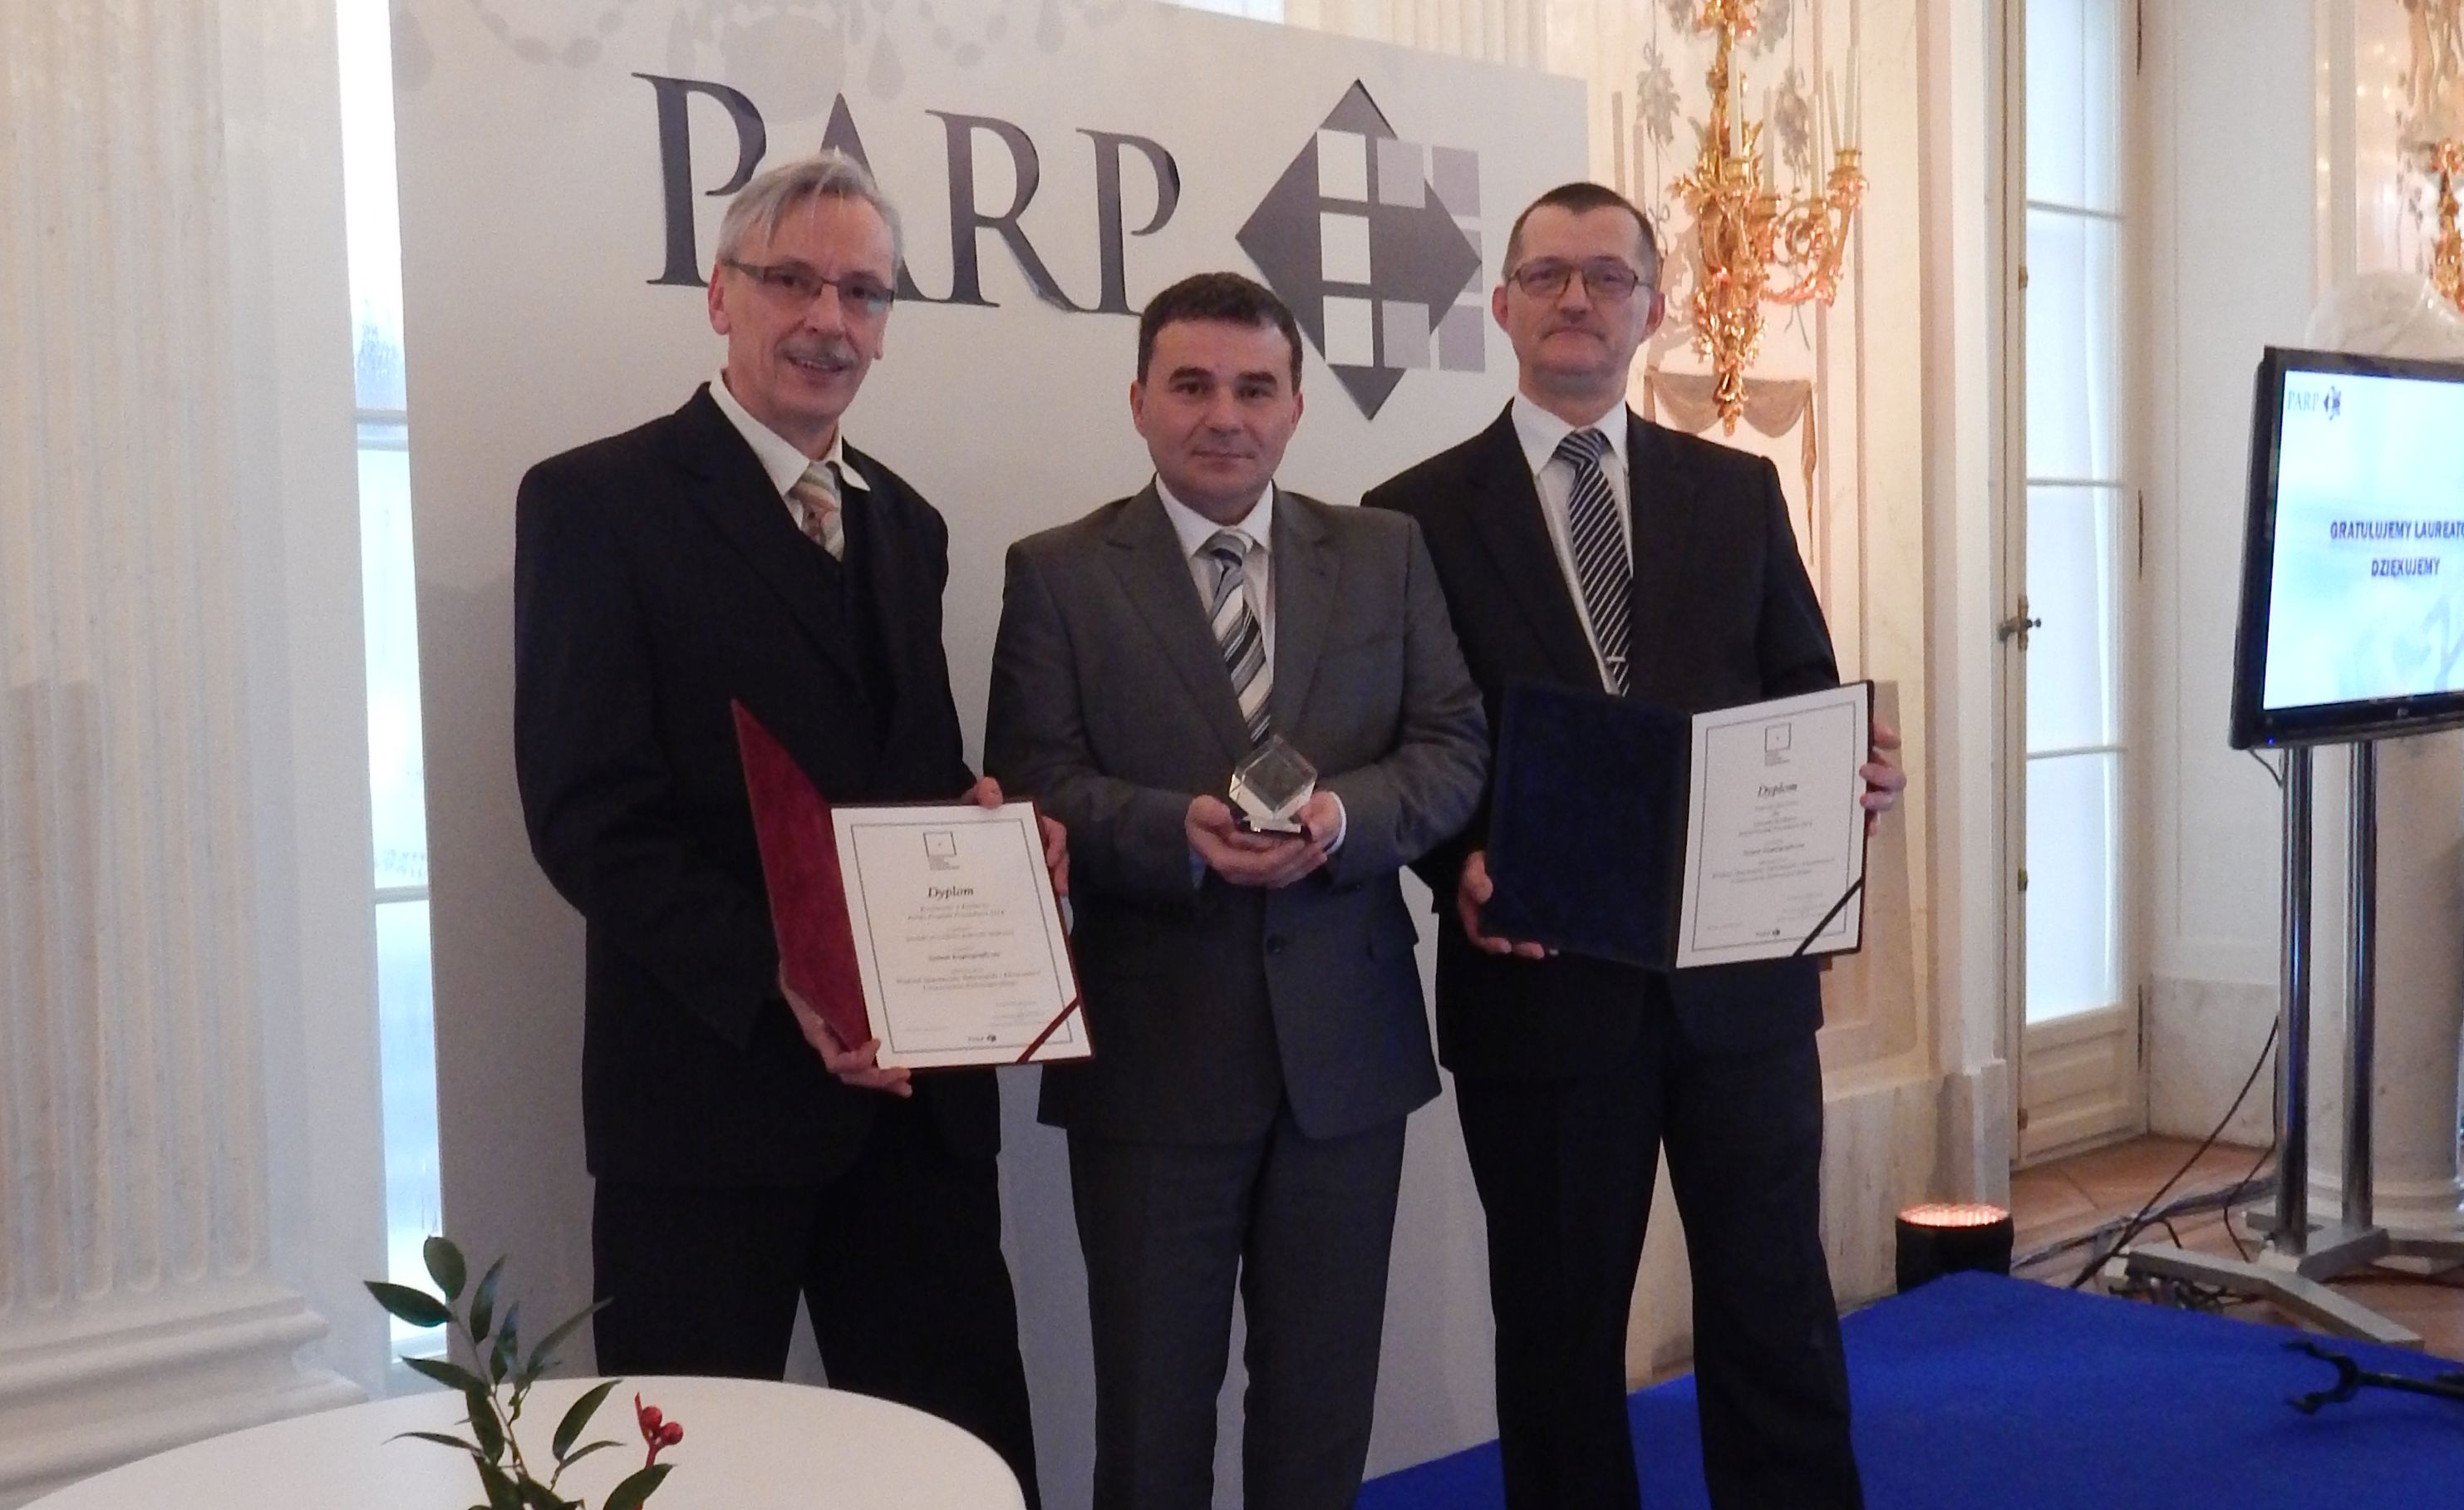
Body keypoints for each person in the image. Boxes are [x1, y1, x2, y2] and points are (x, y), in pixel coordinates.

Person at [512, 150, 1050, 1503]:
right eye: (793, 280)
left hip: (917, 1118)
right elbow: (588, 814)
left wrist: (987, 837)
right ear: (720, 296)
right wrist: (780, 974)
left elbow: (901, 773)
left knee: (957, 1471)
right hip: (708, 1103)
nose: (828, 319)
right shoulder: (595, 503)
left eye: (862, 292)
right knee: (688, 1484)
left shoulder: (908, 524)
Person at [1363, 181, 1905, 1510]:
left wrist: (1852, 771)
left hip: (1741, 991)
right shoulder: (1409, 516)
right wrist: (1455, 862)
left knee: (1774, 1308)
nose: (1577, 299)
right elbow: (1406, 741)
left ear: (1652, 310)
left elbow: (1799, 683)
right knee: (1557, 1338)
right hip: (1538, 984)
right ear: (1501, 306)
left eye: (1606, 277)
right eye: (1547, 275)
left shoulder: (1737, 490)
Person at [984, 271, 1487, 1510]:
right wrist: (1177, 832)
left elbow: (1451, 746)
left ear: (1297, 406)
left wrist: (1343, 818)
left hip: (1344, 1063)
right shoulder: (1058, 573)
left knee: (1320, 1414)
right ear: (1139, 402)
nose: (1225, 415)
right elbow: (1034, 780)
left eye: (1255, 388)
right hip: (1151, 1066)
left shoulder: (1382, 553)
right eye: (1192, 385)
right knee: (1151, 1425)